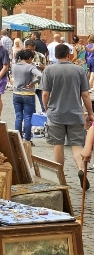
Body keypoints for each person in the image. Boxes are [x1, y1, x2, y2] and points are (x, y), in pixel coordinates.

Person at [41, 43, 94, 190]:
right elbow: (85, 94)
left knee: (58, 144)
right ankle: (81, 170)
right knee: (77, 145)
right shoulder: (78, 70)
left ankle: (61, 177)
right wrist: (90, 113)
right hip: (75, 113)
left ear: (55, 55)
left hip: (56, 113)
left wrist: (47, 108)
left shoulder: (49, 70)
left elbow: (45, 93)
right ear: (69, 54)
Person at [11, 49, 42, 142]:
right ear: (29, 58)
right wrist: (33, 83)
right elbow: (40, 75)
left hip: (16, 93)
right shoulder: (30, 67)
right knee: (28, 117)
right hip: (28, 94)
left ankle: (18, 138)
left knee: (18, 116)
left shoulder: (14, 66)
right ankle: (27, 139)